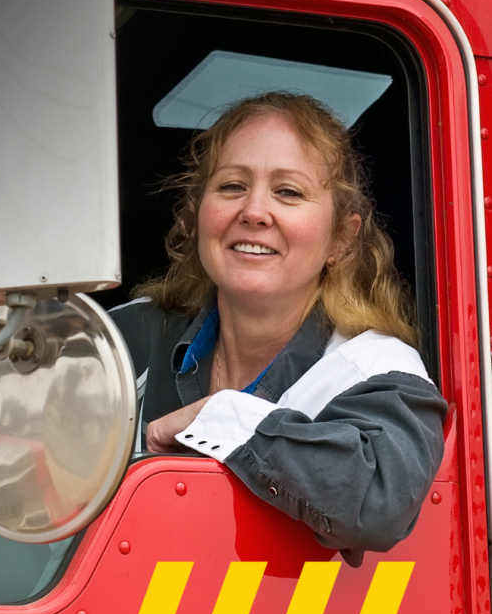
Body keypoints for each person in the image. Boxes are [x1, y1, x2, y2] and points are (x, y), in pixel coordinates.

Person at [108, 91, 446, 567]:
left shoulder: (375, 369)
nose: (254, 211)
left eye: (288, 192)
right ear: (198, 214)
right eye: (230, 187)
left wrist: (218, 418)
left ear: (341, 239)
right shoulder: (122, 339)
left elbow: (377, 500)